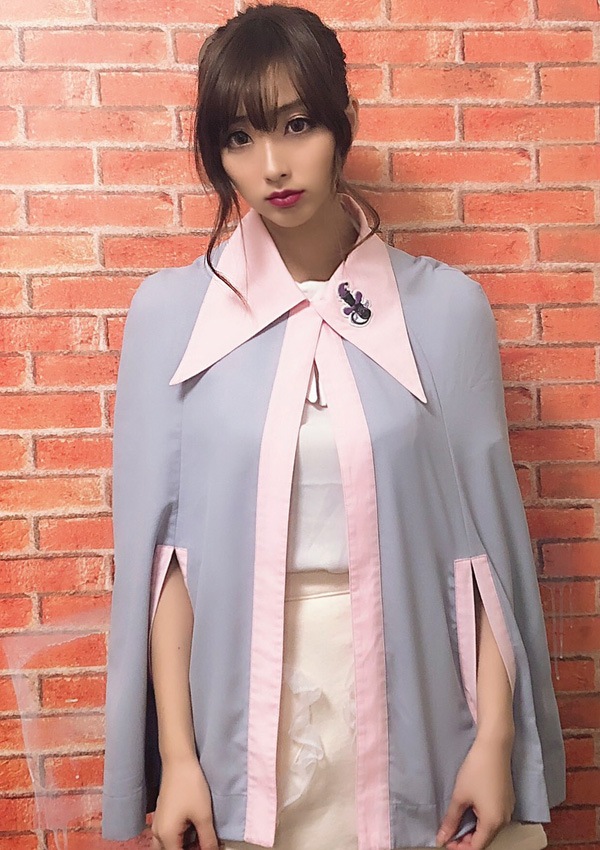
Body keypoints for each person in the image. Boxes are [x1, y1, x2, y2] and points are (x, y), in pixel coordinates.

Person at [101, 5, 566, 850]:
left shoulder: (446, 311)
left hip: (421, 714)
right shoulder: (170, 318)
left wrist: (494, 741)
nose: (273, 165)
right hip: (241, 719)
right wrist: (179, 758)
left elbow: (487, 556)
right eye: (240, 138)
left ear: (343, 121)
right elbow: (165, 566)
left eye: (297, 125)